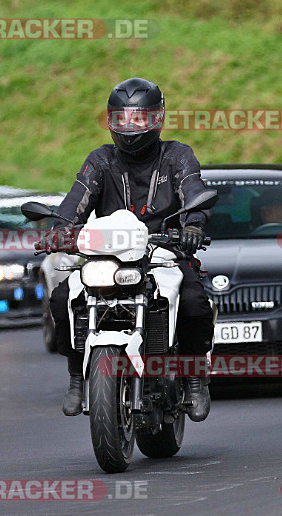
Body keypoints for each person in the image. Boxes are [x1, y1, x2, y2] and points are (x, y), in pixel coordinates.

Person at [37, 77, 215, 422]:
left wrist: (192, 225)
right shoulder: (100, 160)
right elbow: (76, 200)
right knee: (62, 299)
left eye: (141, 118)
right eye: (122, 118)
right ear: (110, 120)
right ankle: (76, 375)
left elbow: (194, 190)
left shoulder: (177, 156)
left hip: (164, 252)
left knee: (195, 301)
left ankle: (194, 380)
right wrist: (59, 231)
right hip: (108, 256)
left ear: (158, 118)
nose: (131, 127)